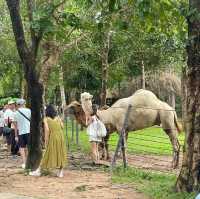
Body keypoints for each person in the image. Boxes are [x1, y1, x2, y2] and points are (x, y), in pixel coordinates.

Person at [29, 104, 67, 177]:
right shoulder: (58, 118)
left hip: (52, 136)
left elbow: (47, 130)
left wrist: (46, 141)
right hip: (60, 136)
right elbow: (62, 126)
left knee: (47, 153)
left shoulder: (46, 119)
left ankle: (39, 171)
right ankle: (61, 172)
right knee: (60, 152)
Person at [13, 99, 31, 169]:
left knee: (22, 148)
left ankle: (24, 163)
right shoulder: (29, 110)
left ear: (18, 105)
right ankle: (30, 161)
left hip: (21, 132)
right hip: (29, 131)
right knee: (29, 147)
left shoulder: (15, 113)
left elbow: (15, 126)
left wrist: (16, 136)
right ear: (24, 103)